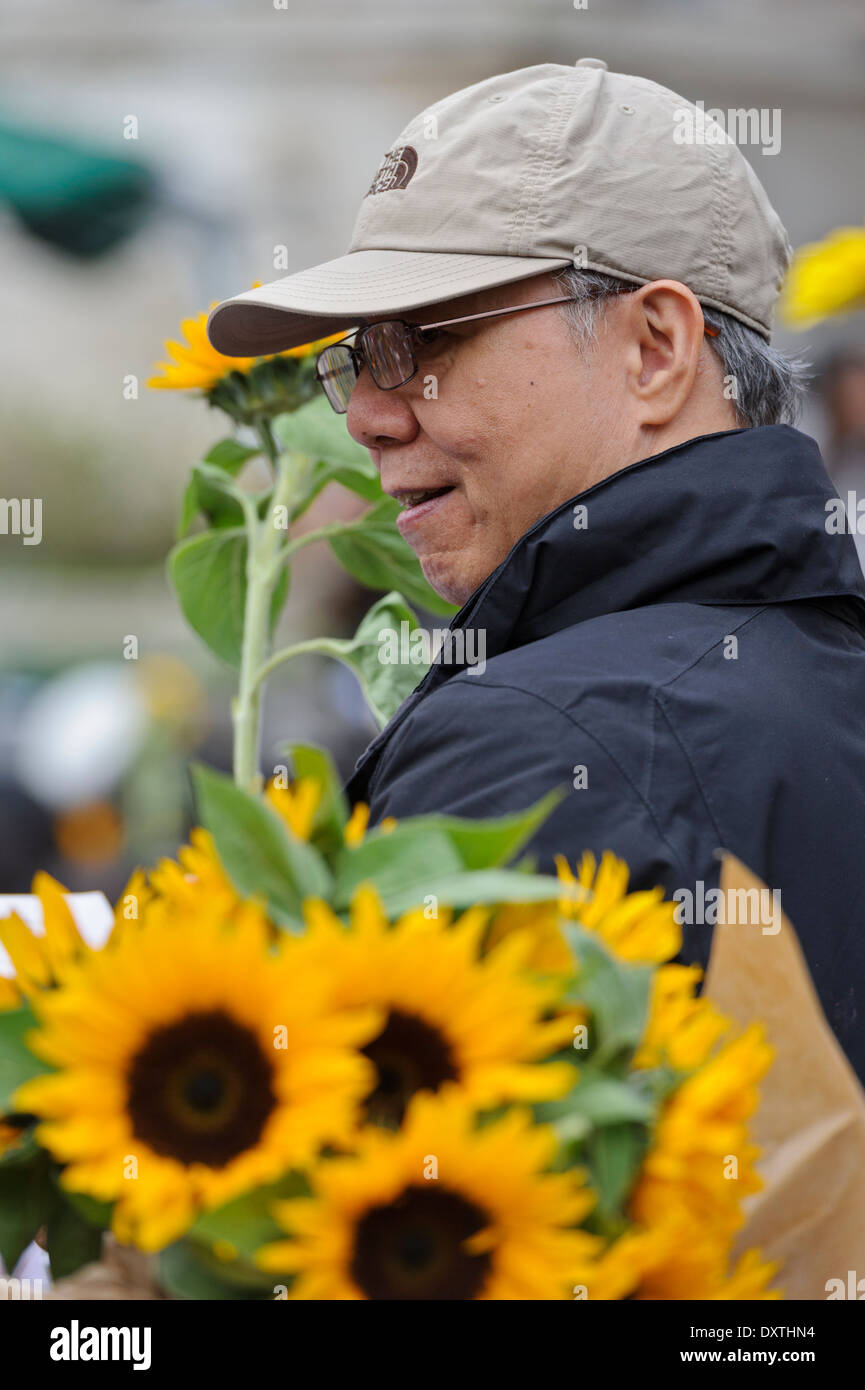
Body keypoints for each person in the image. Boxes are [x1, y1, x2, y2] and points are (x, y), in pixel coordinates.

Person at [207, 60, 865, 1081]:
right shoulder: (820, 668)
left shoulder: (529, 745)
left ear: (654, 350)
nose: (368, 415)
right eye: (360, 353)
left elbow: (369, 1206)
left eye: (423, 339)